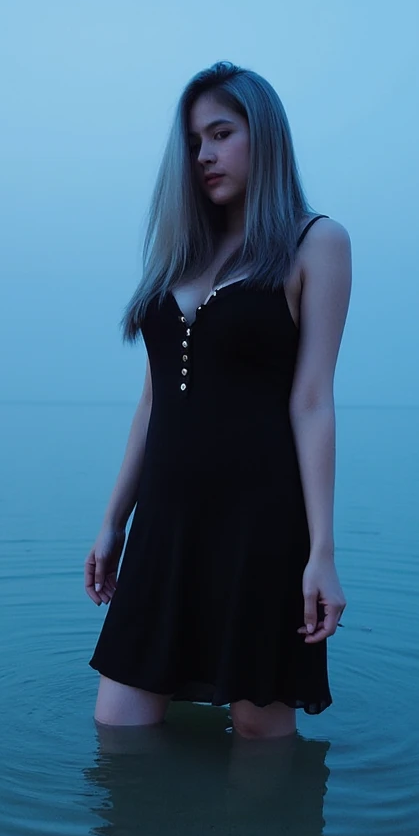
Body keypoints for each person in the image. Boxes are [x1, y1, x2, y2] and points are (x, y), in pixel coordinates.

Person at [84, 61, 352, 740]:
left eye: (221, 133)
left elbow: (314, 401)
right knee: (118, 730)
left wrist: (322, 551)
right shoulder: (180, 254)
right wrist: (115, 520)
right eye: (195, 141)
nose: (204, 154)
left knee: (262, 740)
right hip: (165, 524)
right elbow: (151, 405)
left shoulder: (315, 243)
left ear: (264, 136)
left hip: (260, 524)